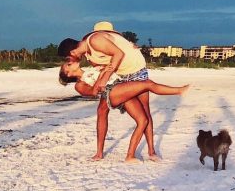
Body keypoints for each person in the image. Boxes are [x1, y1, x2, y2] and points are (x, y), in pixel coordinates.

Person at [58, 24, 157, 162]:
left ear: (72, 53)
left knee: (144, 110)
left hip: (132, 72)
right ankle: (100, 153)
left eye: (68, 60)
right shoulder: (88, 56)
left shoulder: (95, 40)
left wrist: (130, 49)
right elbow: (101, 72)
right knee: (102, 110)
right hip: (117, 81)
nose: (69, 61)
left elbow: (116, 54)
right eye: (68, 63)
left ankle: (151, 151)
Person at [58, 60, 189, 161]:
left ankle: (130, 156)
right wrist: (103, 74)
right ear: (68, 74)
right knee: (147, 84)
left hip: (121, 87)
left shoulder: (91, 69)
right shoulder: (79, 85)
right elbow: (93, 92)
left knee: (143, 120)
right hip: (112, 92)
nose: (71, 62)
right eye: (68, 65)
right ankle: (179, 91)